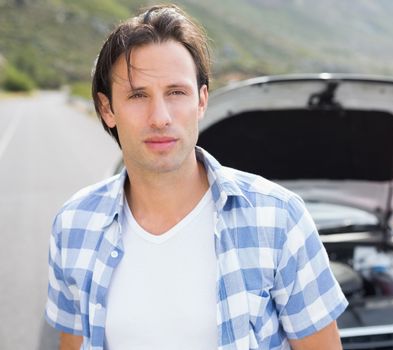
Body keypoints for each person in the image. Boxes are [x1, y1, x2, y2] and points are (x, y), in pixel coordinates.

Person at [44, 4, 348, 350]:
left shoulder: (279, 219)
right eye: (138, 95)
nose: (160, 117)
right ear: (107, 109)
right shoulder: (73, 225)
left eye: (176, 92)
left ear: (202, 100)